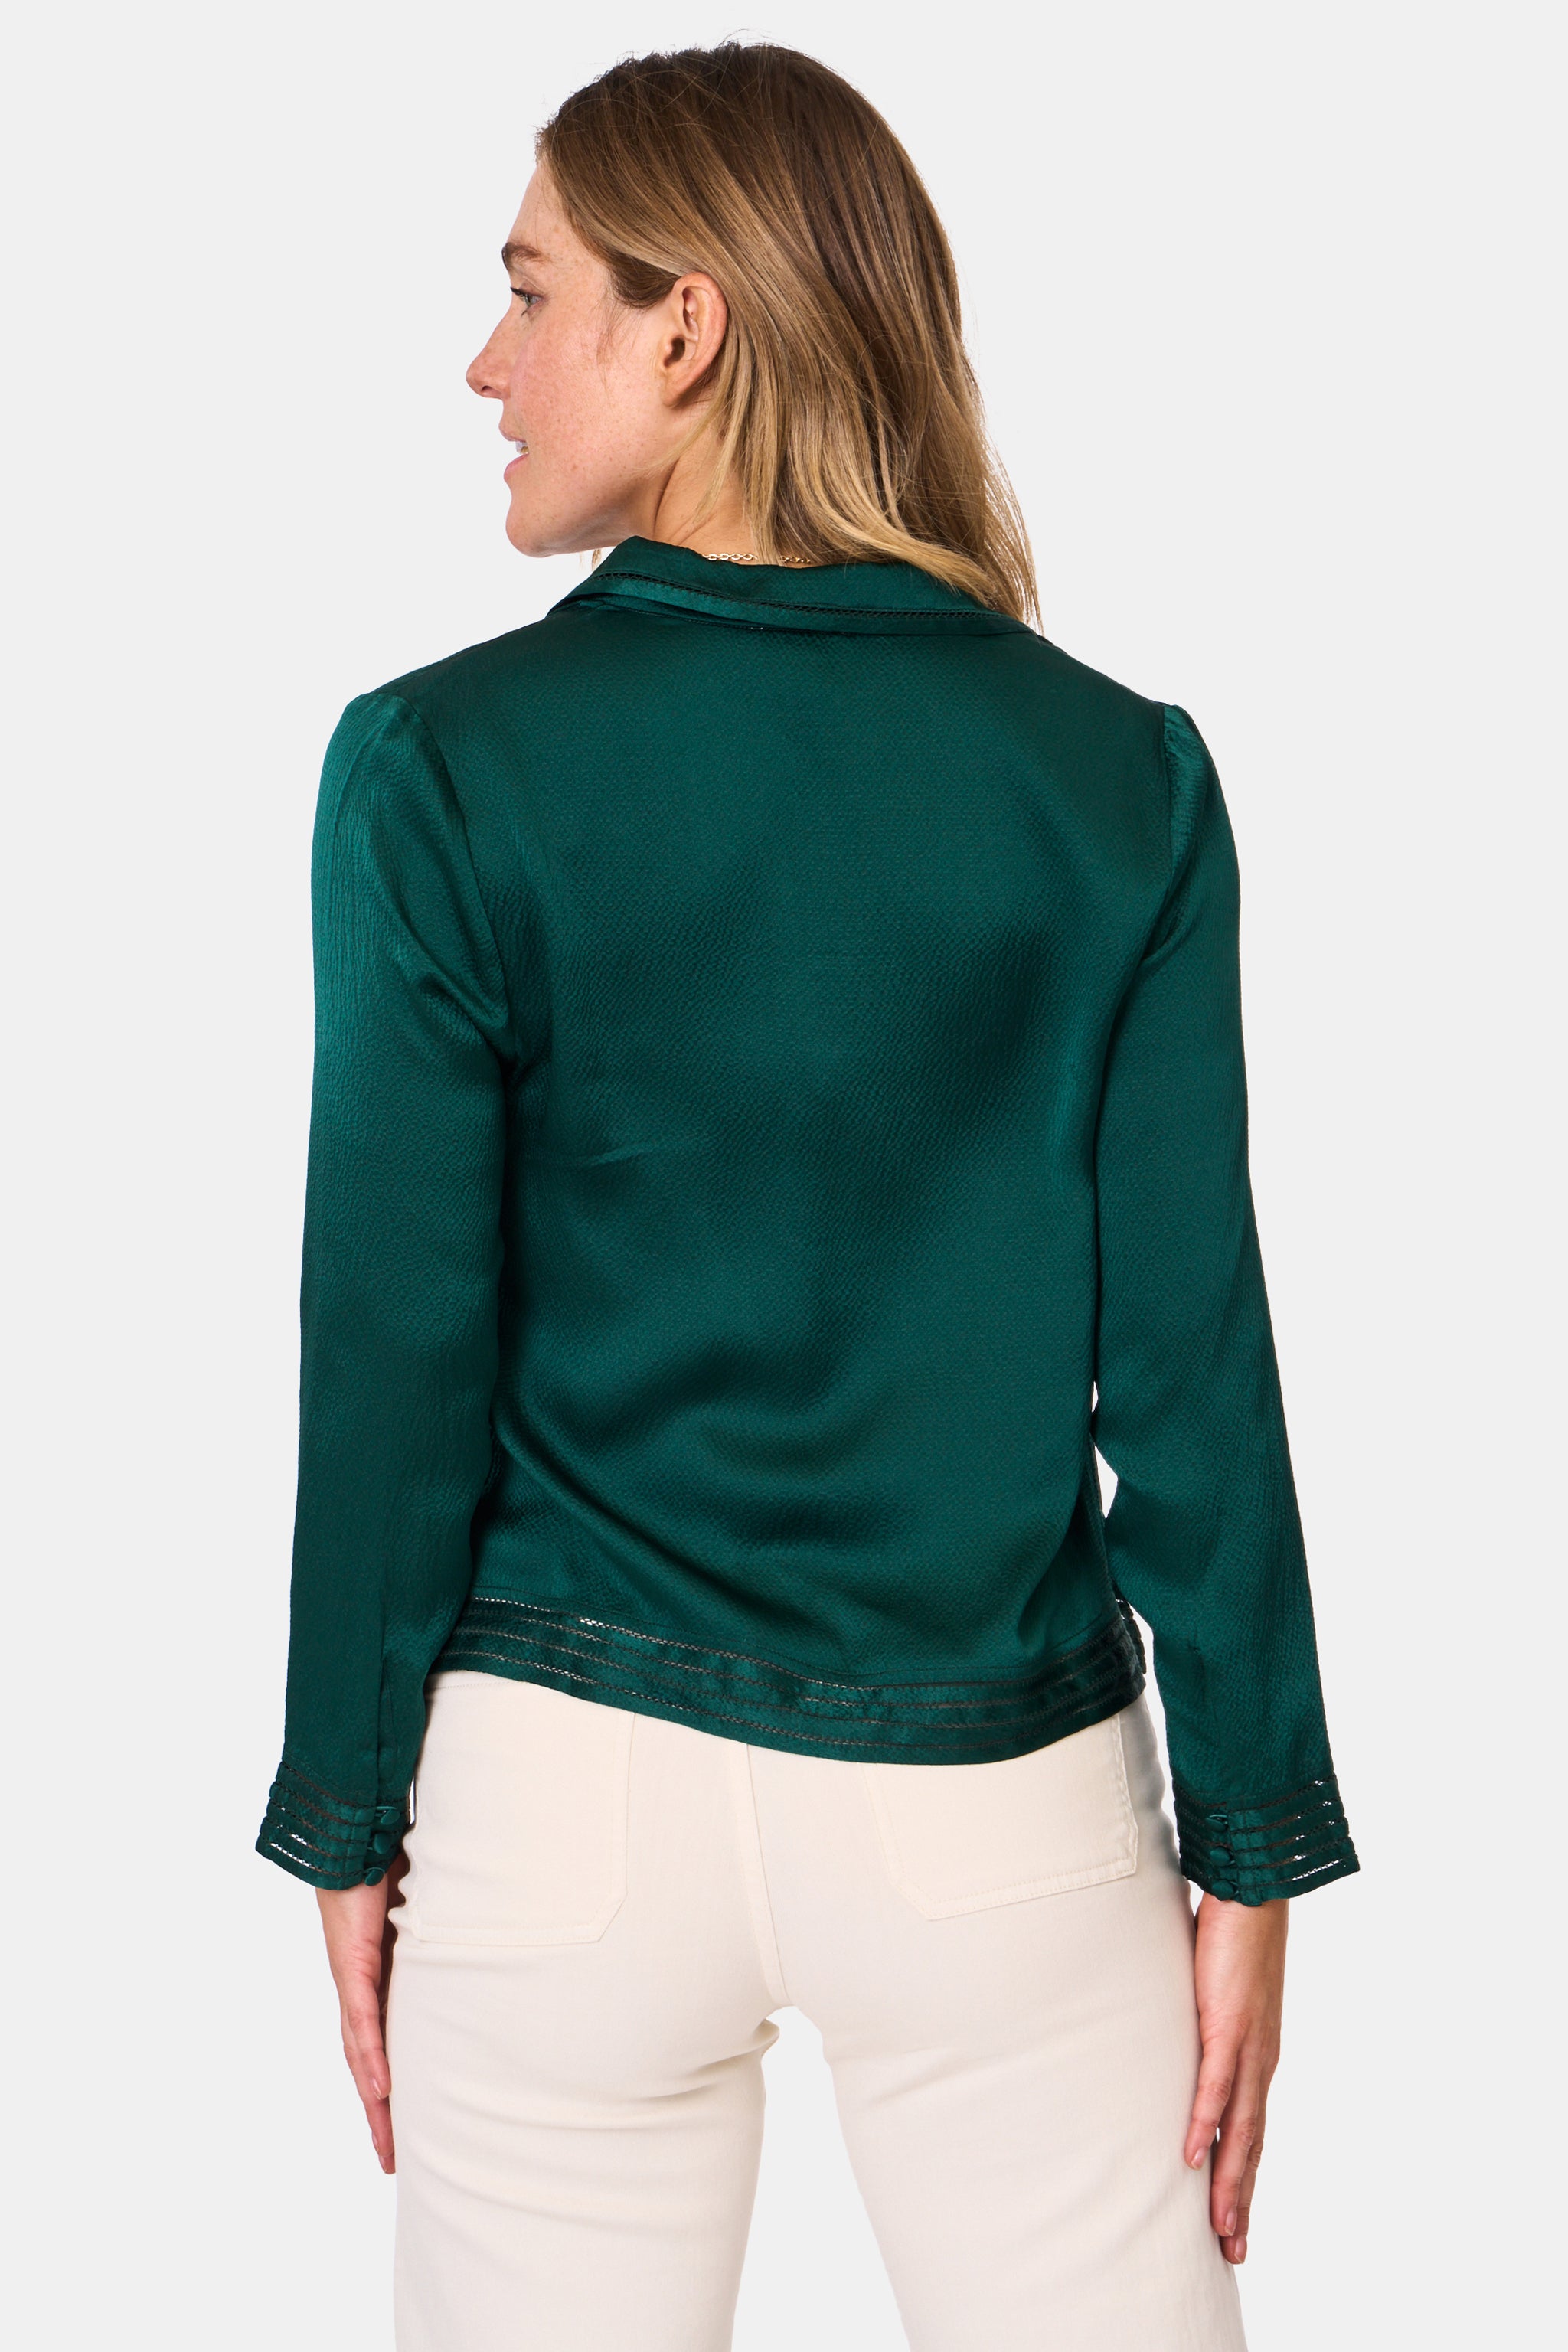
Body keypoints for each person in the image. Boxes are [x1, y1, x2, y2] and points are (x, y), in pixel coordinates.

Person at [256, 41, 1357, 2351]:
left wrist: (345, 1804)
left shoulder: (436, 770)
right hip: (996, 1803)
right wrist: (1253, 1841)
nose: (485, 362)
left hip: (562, 1809)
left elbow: (394, 1347)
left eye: (529, 289)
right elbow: (1188, 1361)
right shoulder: (1123, 781)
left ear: (689, 327)